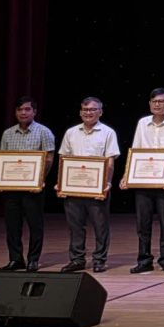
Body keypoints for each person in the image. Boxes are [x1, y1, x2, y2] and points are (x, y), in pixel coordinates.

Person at [123, 88, 164, 274]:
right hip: (143, 179)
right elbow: (135, 150)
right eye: (154, 101)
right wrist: (127, 175)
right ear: (150, 104)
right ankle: (144, 260)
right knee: (143, 223)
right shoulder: (143, 123)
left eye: (161, 101)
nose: (157, 104)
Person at [58, 97, 120, 272]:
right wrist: (61, 183)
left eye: (93, 109)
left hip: (97, 188)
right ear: (80, 112)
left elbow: (110, 161)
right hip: (73, 188)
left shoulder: (108, 132)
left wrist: (107, 183)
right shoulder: (71, 132)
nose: (88, 113)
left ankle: (99, 260)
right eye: (85, 110)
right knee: (75, 226)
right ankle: (77, 259)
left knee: (101, 226)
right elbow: (63, 159)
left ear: (100, 112)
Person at [0, 96, 55, 271]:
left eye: (27, 109)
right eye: (20, 109)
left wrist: (39, 180)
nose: (23, 112)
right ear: (15, 112)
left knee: (35, 225)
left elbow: (49, 158)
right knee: (12, 226)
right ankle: (15, 259)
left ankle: (33, 259)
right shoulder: (8, 133)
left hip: (33, 189)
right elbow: (2, 160)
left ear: (34, 112)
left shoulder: (44, 132)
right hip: (12, 188)